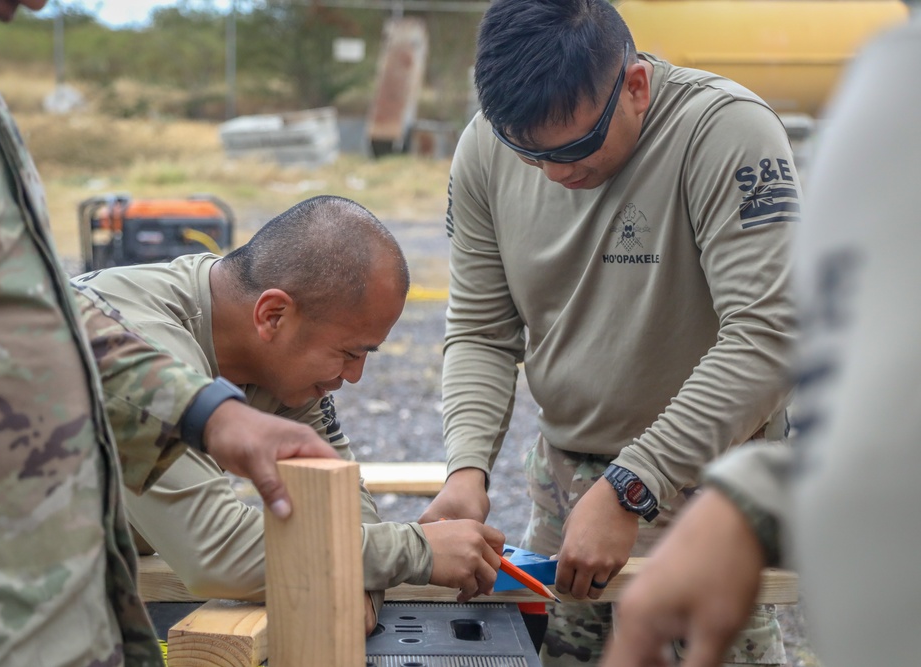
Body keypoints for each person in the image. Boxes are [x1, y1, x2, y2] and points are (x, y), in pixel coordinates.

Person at [0, 3, 336, 666]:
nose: (34, 5)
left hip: (50, 608)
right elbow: (221, 551)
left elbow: (42, 301)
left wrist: (206, 412)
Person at [419, 0, 799, 664]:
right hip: (566, 484)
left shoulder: (723, 132)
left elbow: (768, 334)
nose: (555, 174)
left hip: (708, 485)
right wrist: (466, 467)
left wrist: (633, 485)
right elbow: (481, 329)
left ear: (635, 87)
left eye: (574, 148)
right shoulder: (484, 147)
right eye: (528, 153)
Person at [600, 16, 921, 667]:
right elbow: (872, 427)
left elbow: (771, 335)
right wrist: (755, 504)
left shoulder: (873, 109)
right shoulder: (890, 94)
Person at [73, 195, 507, 633]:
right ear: (273, 314)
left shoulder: (272, 359)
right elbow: (219, 553)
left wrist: (355, 581)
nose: (355, 376)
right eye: (350, 352)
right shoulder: (133, 347)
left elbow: (343, 503)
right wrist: (417, 551)